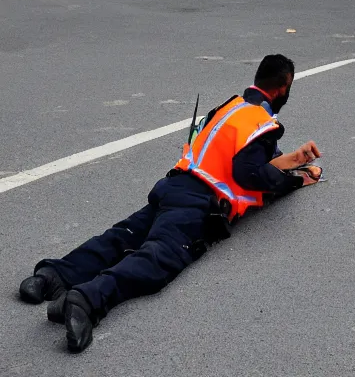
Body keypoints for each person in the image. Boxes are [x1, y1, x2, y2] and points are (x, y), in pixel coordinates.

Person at [17, 54, 323, 353]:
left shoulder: (229, 108)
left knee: (120, 237)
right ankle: (86, 300)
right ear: (284, 86)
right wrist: (294, 181)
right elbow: (250, 173)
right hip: (199, 202)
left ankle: (49, 278)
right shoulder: (264, 124)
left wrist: (296, 162)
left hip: (173, 187)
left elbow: (242, 156)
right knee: (157, 257)